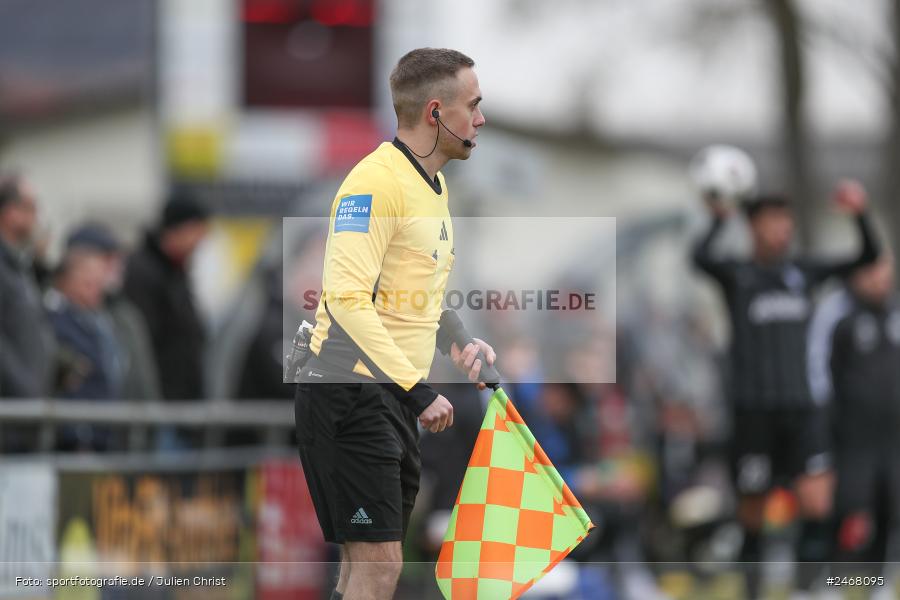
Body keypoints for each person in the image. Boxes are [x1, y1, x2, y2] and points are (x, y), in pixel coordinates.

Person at [294, 48, 492, 600]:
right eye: (473, 105)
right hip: (349, 390)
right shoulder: (373, 183)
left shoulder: (433, 186)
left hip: (387, 395)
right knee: (379, 565)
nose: (480, 119)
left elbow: (411, 296)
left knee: (367, 565)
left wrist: (457, 341)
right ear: (435, 112)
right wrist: (416, 389)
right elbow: (347, 301)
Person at [692, 178, 879, 592]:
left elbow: (867, 256)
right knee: (753, 517)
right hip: (754, 414)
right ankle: (752, 592)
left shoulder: (803, 272)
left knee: (817, 505)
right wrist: (719, 217)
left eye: (786, 219)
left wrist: (861, 215)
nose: (784, 227)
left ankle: (804, 590)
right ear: (754, 225)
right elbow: (698, 256)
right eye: (774, 219)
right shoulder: (737, 275)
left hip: (801, 409)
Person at [818, 253, 900, 577]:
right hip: (853, 437)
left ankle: (878, 582)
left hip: (892, 438)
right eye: (874, 270)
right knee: (850, 511)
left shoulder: (895, 315)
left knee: (888, 509)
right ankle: (834, 580)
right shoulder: (840, 317)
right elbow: (822, 374)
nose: (881, 278)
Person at [123, 191, 210, 450]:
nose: (200, 241)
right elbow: (143, 345)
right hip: (161, 413)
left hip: (182, 412)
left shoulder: (176, 273)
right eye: (197, 231)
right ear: (179, 229)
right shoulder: (143, 273)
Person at [67, 223, 161, 401]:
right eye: (106, 259)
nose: (116, 268)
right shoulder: (63, 315)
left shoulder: (124, 314)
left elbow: (142, 380)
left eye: (117, 260)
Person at [47, 248, 123, 450]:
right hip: (76, 436)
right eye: (88, 282)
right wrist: (79, 433)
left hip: (104, 431)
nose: (95, 289)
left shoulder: (101, 321)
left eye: (99, 283)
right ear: (67, 280)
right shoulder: (54, 319)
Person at [0, 173, 54, 400]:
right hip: (12, 409)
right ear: (10, 212)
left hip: (26, 407)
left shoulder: (19, 266)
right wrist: (24, 388)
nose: (36, 216)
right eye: (31, 207)